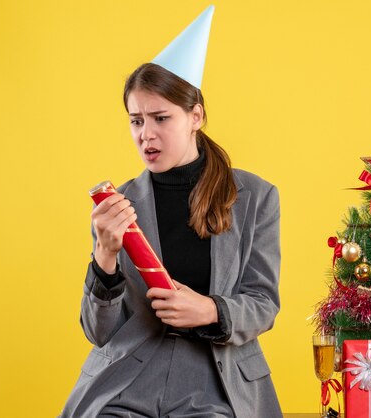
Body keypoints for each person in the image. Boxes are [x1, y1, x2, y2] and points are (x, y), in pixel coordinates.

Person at [60, 6, 282, 418]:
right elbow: (99, 333)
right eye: (136, 120)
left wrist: (211, 310)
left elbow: (263, 302)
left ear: (195, 115)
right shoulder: (118, 205)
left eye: (161, 118)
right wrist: (104, 259)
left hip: (215, 379)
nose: (146, 135)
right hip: (127, 380)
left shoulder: (255, 197)